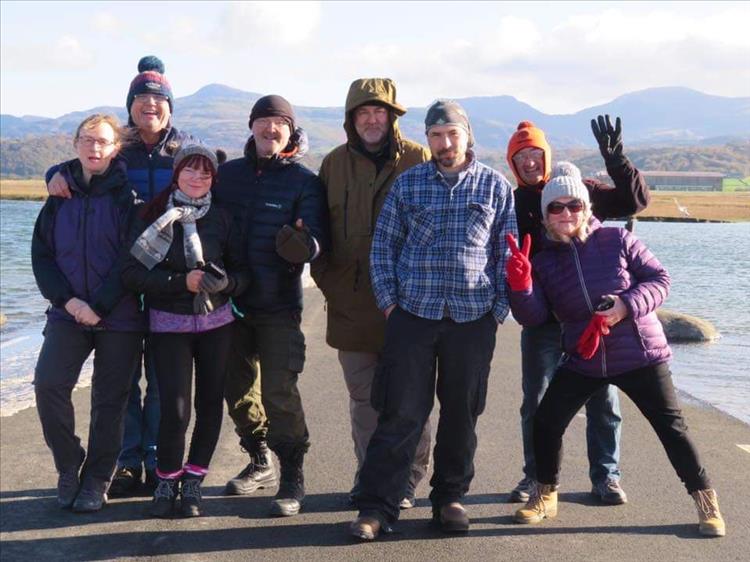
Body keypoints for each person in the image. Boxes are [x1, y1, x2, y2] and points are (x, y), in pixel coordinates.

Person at [506, 162, 726, 538]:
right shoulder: (543, 260)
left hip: (639, 353)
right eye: (555, 207)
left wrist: (626, 305)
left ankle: (706, 502)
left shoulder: (617, 240)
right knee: (545, 422)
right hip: (585, 357)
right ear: (544, 216)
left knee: (672, 430)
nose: (565, 214)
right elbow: (534, 316)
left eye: (573, 205)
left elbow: (660, 279)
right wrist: (521, 283)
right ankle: (545, 494)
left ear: (587, 208)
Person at [349, 100, 517, 540]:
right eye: (436, 136)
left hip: (472, 319)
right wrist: (390, 304)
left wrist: (496, 311)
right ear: (427, 140)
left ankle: (450, 499)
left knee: (462, 414)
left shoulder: (496, 188)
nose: (445, 144)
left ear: (468, 135)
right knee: (400, 413)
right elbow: (383, 248)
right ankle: (378, 507)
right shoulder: (408, 187)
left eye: (452, 135)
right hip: (413, 317)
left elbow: (506, 252)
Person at [46, 56, 200, 496]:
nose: (149, 105)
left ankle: (155, 457)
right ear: (130, 105)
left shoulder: (185, 146)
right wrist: (54, 173)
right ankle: (127, 459)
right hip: (127, 279)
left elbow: (210, 176)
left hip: (170, 275)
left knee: (162, 373)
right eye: (141, 99)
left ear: (170, 106)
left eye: (158, 99)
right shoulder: (118, 150)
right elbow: (77, 170)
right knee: (124, 374)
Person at [505, 117, 650, 505]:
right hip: (542, 320)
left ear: (547, 155)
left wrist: (616, 159)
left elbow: (634, 202)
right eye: (522, 157)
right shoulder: (513, 203)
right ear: (512, 163)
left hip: (589, 320)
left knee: (602, 399)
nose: (531, 162)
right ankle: (536, 478)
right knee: (535, 401)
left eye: (536, 154)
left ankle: (607, 476)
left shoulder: (578, 193)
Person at [312, 78, 432, 508]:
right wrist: (330, 282)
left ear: (393, 116)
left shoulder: (420, 159)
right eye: (363, 112)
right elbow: (317, 232)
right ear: (351, 119)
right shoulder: (332, 165)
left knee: (408, 398)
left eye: (379, 111)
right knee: (364, 401)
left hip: (412, 305)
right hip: (352, 308)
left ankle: (407, 479)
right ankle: (370, 476)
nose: (372, 119)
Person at [215, 95, 328, 517]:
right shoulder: (227, 176)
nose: (270, 129)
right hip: (229, 303)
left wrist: (304, 243)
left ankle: (292, 473)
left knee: (280, 391)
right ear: (252, 127)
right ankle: (259, 458)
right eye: (263, 121)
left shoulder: (303, 181)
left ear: (289, 130)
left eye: (279, 122)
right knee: (238, 390)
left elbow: (318, 241)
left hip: (279, 305)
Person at [121, 145, 249, 518]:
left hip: (218, 325)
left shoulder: (223, 218)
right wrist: (182, 281)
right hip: (168, 325)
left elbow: (244, 275)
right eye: (190, 171)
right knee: (175, 411)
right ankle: (166, 480)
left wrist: (225, 284)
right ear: (176, 174)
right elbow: (132, 274)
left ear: (213, 179)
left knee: (210, 405)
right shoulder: (152, 215)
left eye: (205, 173)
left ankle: (193, 482)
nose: (197, 179)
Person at [32, 114, 145, 513]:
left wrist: (99, 306)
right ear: (76, 144)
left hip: (119, 316)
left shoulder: (127, 200)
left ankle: (97, 479)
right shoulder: (58, 195)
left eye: (103, 142)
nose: (94, 148)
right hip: (67, 313)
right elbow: (42, 257)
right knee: (48, 385)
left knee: (109, 400)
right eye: (87, 140)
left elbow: (132, 260)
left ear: (116, 149)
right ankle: (68, 466)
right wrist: (69, 302)